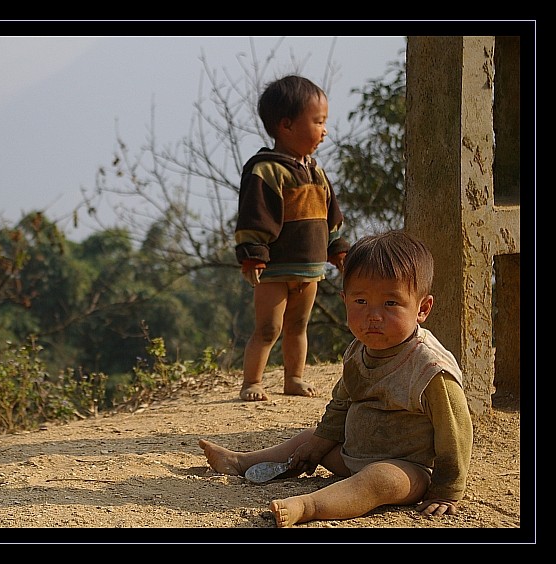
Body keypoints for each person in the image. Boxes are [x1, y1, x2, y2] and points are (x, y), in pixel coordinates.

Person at [199, 230, 474, 527]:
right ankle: (239, 461)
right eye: (361, 302)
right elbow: (341, 403)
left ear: (422, 308)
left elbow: (455, 432)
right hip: (349, 456)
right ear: (344, 300)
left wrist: (446, 490)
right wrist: (318, 447)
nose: (373, 316)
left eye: (391, 304)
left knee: (378, 479)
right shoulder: (357, 351)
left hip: (408, 470)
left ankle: (309, 506)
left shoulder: (429, 368)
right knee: (309, 438)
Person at [235, 75, 348, 402]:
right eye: (318, 121)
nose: (324, 130)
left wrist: (338, 249)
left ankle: (294, 378)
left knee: (299, 326)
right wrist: (253, 253)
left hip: (310, 268)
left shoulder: (316, 171)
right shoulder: (266, 170)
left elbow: (332, 216)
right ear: (286, 125)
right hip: (275, 268)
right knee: (269, 328)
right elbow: (254, 216)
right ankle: (251, 382)